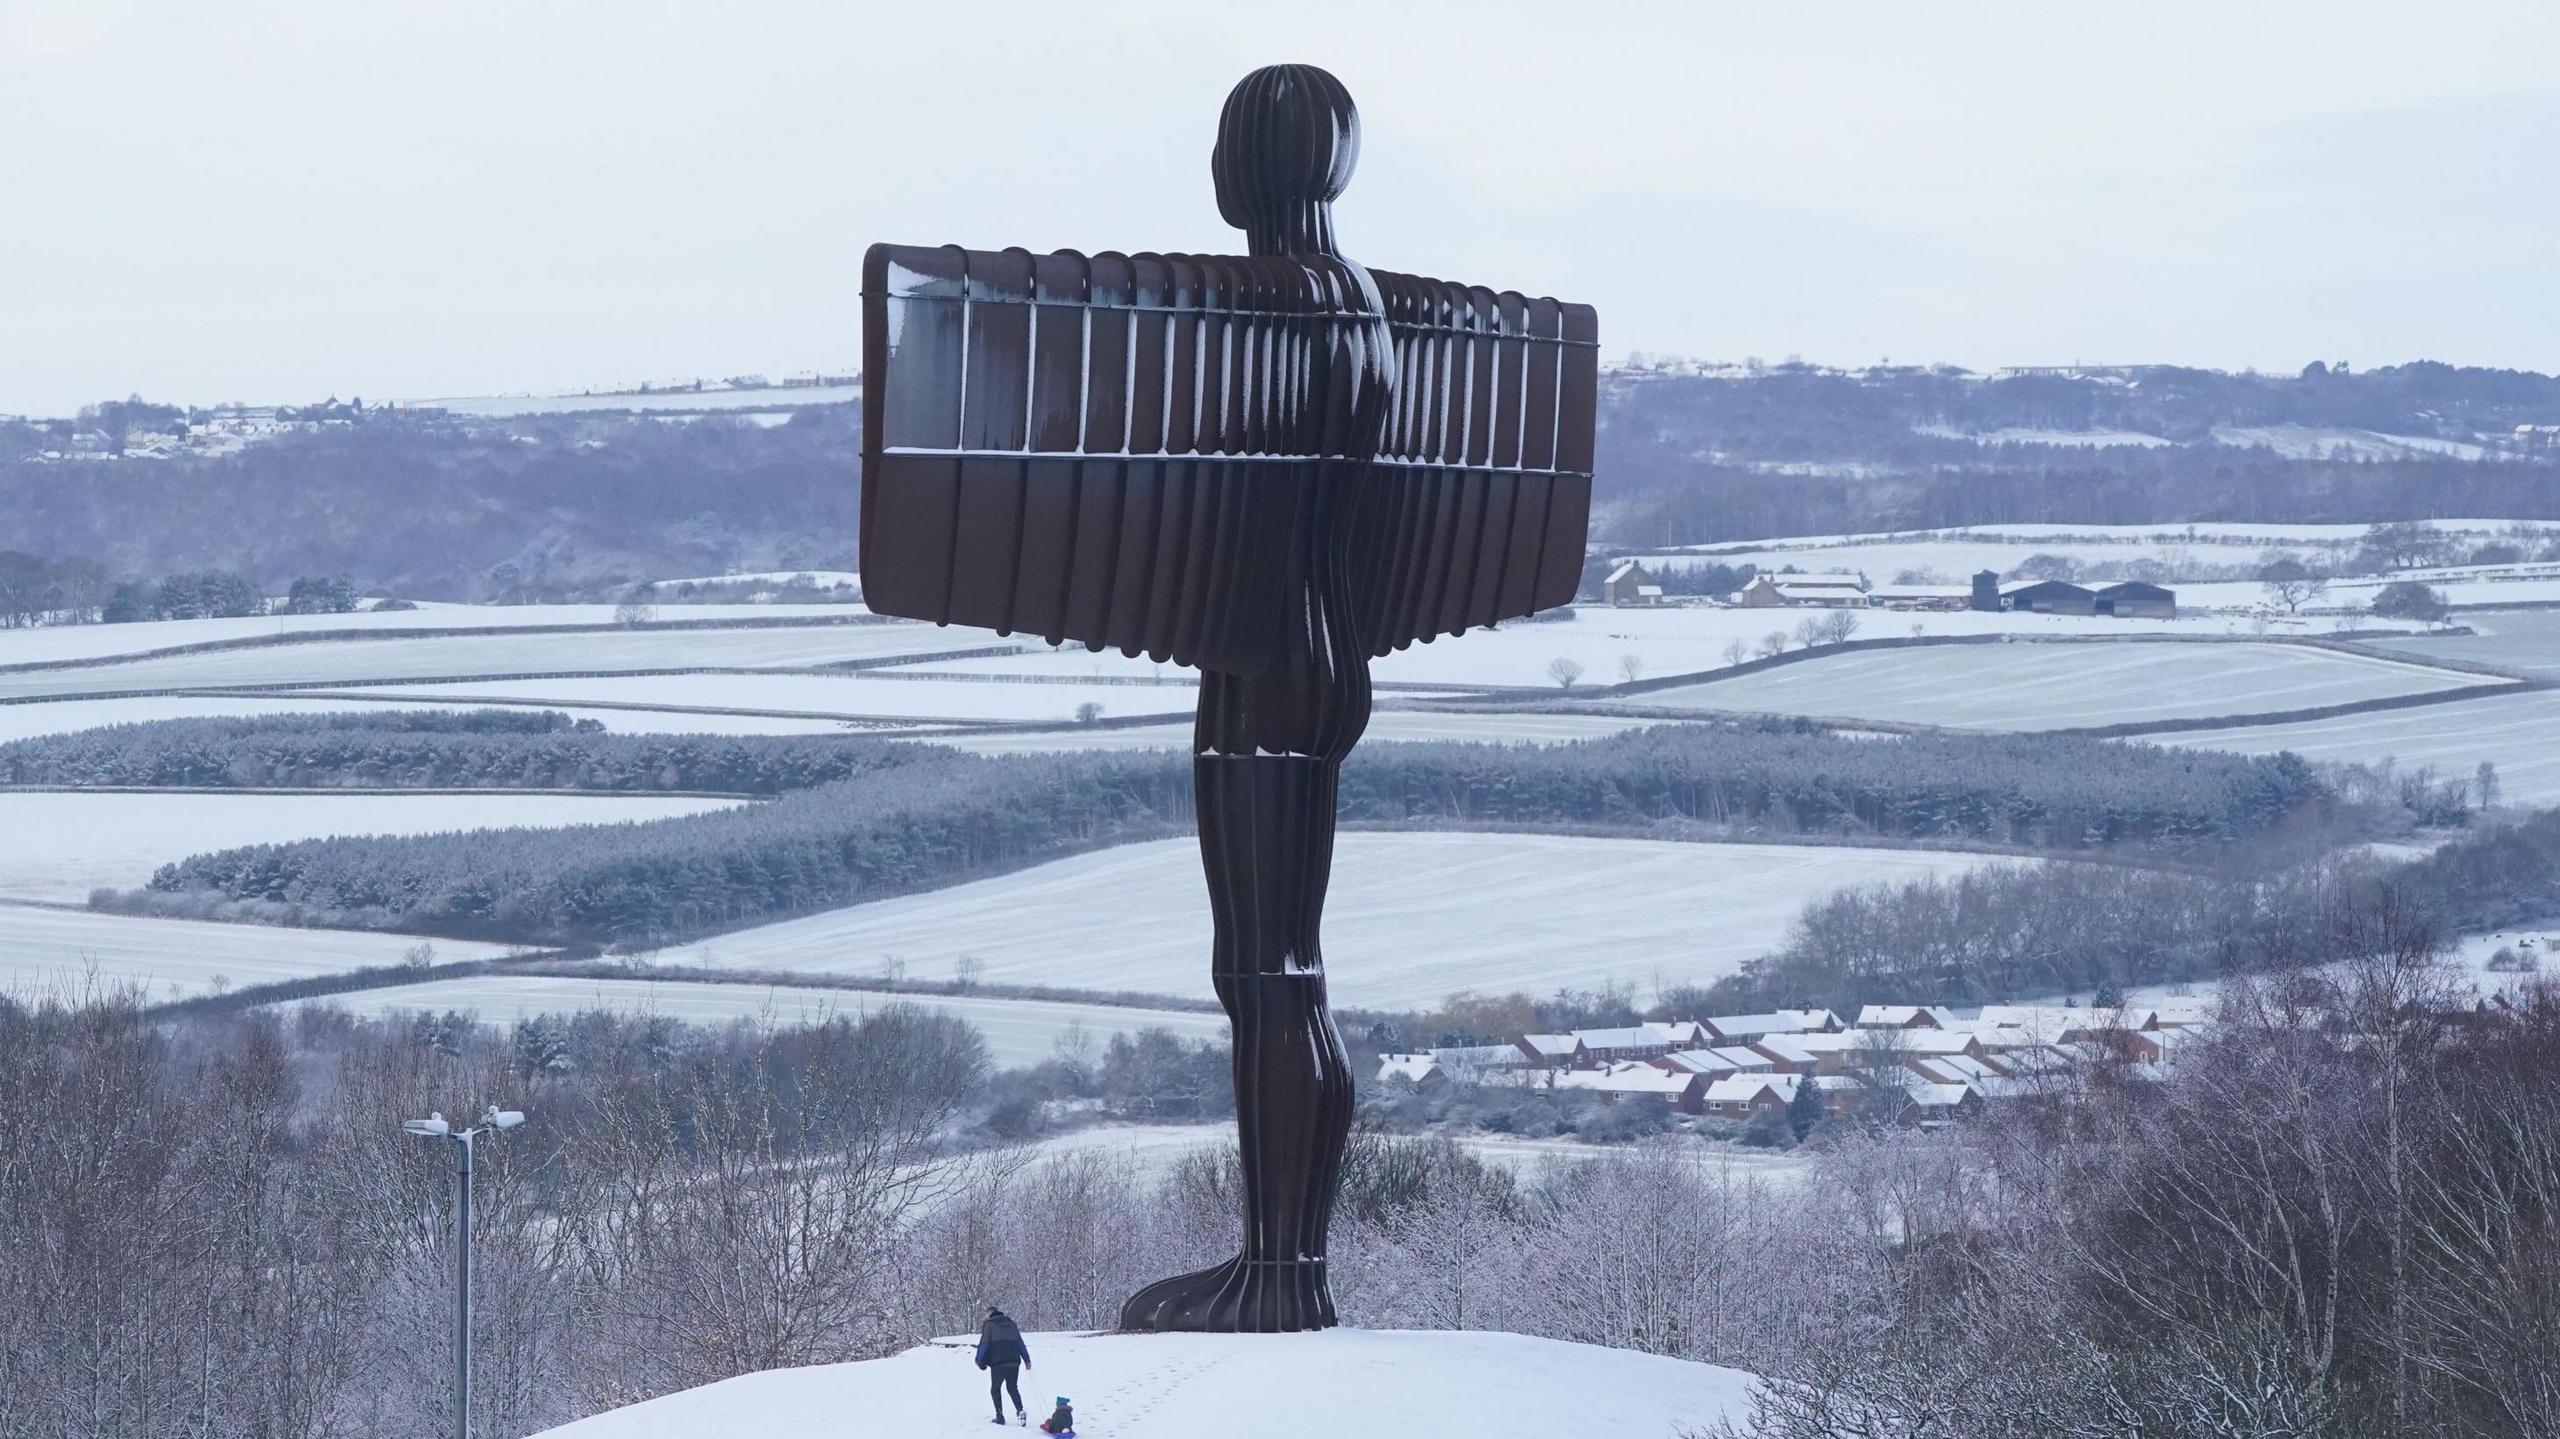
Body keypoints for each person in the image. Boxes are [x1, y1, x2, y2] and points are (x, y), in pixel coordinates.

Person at [973, 1306, 1030, 1425]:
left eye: (987, 1314)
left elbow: (984, 1344)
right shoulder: (1011, 1324)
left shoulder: (989, 1325)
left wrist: (979, 1359)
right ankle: (1020, 1411)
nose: (986, 1316)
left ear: (990, 1313)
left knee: (995, 1389)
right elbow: (1020, 1342)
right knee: (1012, 1387)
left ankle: (1000, 1416)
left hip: (998, 1362)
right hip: (1014, 1361)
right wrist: (1027, 1359)